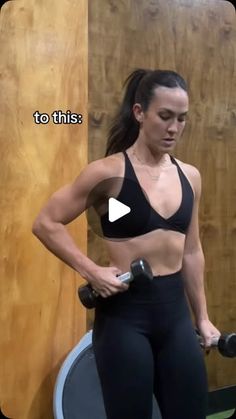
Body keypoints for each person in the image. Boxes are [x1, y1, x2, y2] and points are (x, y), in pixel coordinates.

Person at [32, 69, 220, 419]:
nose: (174, 128)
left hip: (175, 316)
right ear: (139, 113)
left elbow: (192, 251)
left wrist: (203, 318)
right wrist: (91, 270)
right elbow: (46, 223)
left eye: (181, 119)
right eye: (164, 116)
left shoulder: (189, 175)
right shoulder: (107, 174)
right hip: (124, 319)